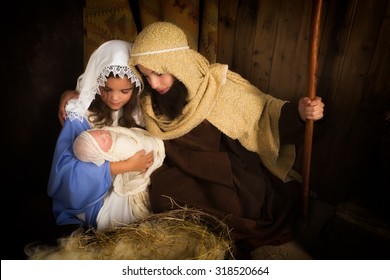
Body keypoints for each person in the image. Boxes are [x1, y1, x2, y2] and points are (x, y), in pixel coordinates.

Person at [59, 22, 325, 258]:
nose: (154, 83)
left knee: (237, 205)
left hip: (225, 166)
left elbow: (264, 111)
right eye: (146, 75)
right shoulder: (149, 98)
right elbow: (110, 90)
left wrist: (300, 114)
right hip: (180, 166)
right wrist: (72, 93)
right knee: (162, 197)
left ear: (178, 63)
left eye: (159, 73)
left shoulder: (217, 86)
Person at [48, 39, 154, 231]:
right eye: (106, 89)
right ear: (97, 80)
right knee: (125, 220)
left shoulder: (139, 112)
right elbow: (65, 175)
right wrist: (121, 167)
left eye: (125, 91)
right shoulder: (79, 114)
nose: (114, 98)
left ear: (136, 87)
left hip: (128, 182)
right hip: (92, 197)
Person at [72, 126, 165, 222]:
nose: (105, 134)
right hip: (144, 158)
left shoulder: (110, 133)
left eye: (100, 132)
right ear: (102, 154)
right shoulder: (115, 149)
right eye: (103, 140)